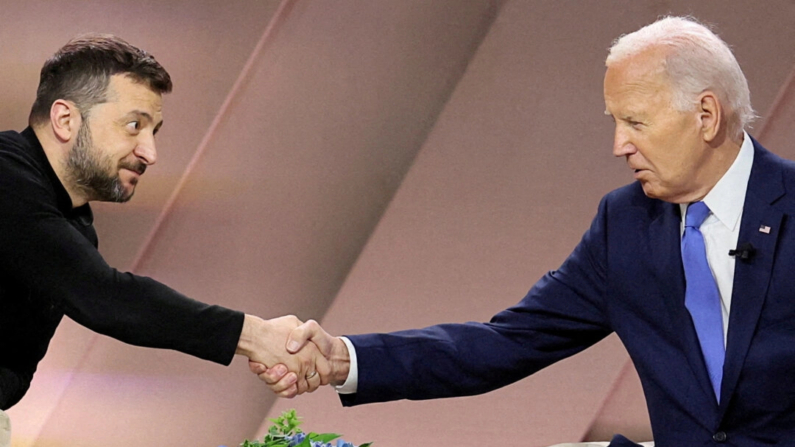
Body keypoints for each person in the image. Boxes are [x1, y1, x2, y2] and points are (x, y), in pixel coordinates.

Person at [255, 16, 795, 446]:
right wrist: (345, 358)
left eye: (635, 122)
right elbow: (507, 341)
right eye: (614, 122)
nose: (618, 145)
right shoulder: (625, 223)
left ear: (705, 115)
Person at [0, 34, 329, 415]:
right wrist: (254, 336)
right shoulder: (5, 173)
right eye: (134, 125)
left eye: (153, 132)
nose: (150, 153)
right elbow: (107, 298)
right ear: (65, 119)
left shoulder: (77, 228)